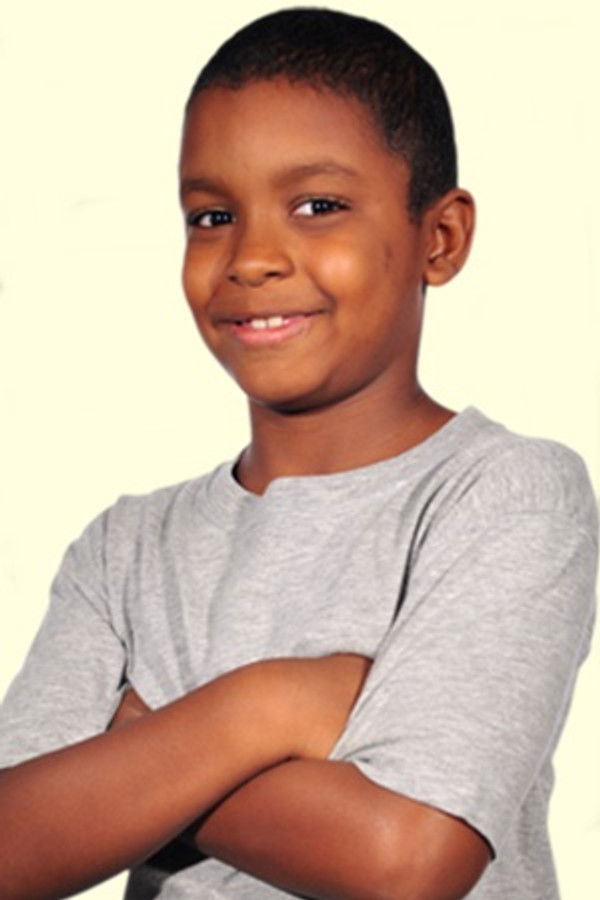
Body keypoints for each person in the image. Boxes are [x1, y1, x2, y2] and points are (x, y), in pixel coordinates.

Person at [0, 7, 597, 899]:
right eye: (211, 215)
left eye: (318, 206)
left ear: (440, 238)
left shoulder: (506, 495)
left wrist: (135, 752)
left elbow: (406, 861)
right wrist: (262, 709)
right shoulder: (122, 550)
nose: (252, 258)